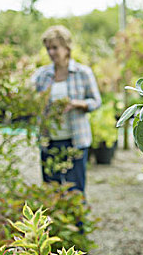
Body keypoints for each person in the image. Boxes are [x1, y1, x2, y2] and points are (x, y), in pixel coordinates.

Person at [32, 25, 101, 193]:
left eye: (55, 47)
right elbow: (30, 99)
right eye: (48, 48)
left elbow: (96, 101)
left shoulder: (82, 72)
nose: (51, 52)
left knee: (75, 189)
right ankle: (53, 220)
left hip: (76, 140)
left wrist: (77, 104)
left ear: (66, 47)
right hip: (50, 140)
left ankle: (78, 220)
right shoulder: (42, 74)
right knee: (51, 190)